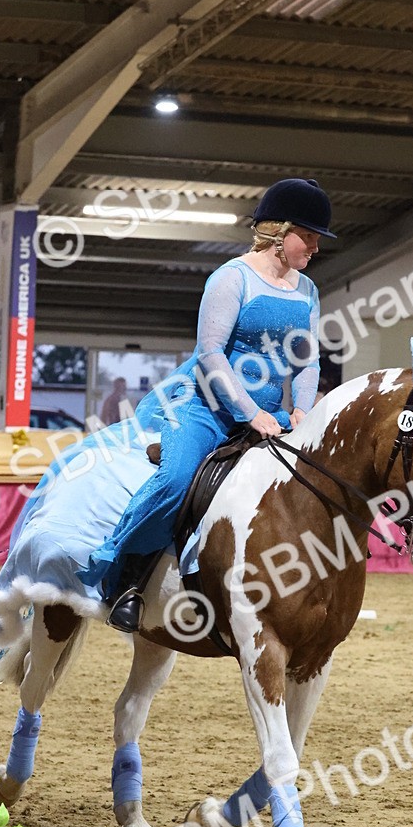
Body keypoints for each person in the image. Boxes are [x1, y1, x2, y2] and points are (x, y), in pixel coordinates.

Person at [79, 177, 335, 633]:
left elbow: (308, 359)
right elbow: (212, 353)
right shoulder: (231, 278)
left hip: (274, 418)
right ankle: (126, 581)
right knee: (177, 480)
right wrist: (249, 414)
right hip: (207, 410)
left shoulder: (308, 291)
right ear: (280, 233)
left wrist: (301, 411)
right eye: (309, 236)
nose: (315, 247)